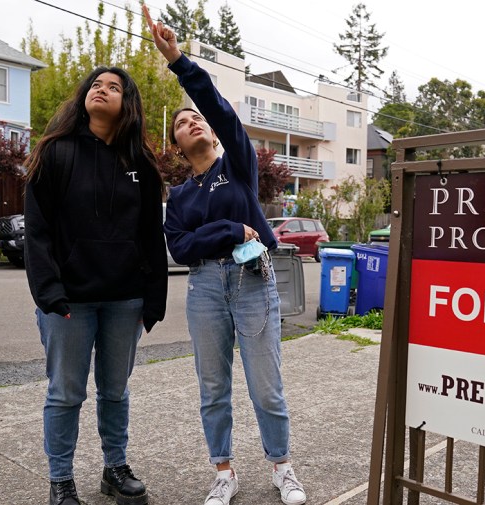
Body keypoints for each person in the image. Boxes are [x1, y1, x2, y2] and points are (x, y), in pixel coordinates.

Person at [143, 6, 307, 505]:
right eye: (180, 122)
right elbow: (179, 246)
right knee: (213, 387)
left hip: (253, 281)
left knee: (266, 384)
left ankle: (282, 466)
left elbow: (217, 106)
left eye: (196, 118)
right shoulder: (179, 195)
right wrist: (228, 228)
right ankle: (224, 471)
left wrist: (178, 61)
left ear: (212, 133)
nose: (190, 121)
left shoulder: (237, 165)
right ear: (176, 142)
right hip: (206, 289)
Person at [24, 65, 168, 505]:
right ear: (85, 95)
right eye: (97, 85)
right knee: (66, 393)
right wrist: (49, 292)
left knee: (115, 391)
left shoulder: (139, 163)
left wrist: (153, 300)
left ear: (128, 103)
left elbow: (149, 235)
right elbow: (38, 231)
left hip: (125, 299)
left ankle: (114, 468)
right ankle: (60, 480)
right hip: (70, 301)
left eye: (114, 87)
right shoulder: (56, 152)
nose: (103, 90)